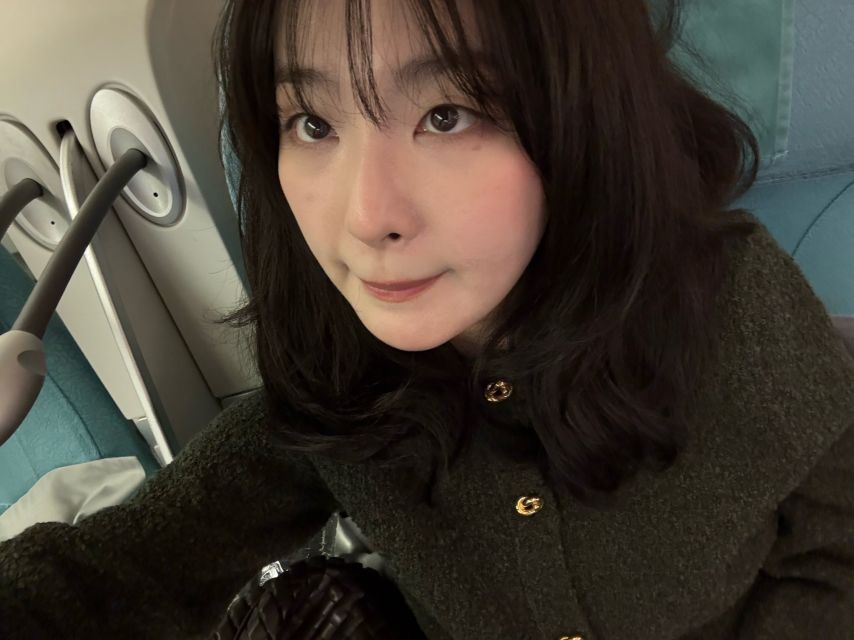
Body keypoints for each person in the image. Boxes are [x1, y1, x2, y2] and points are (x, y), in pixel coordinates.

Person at [2, 0, 854, 638]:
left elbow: (837, 551)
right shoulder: (344, 384)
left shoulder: (736, 308)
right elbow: (124, 571)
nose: (366, 217)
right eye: (313, 123)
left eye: (447, 114)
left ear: (582, 119)